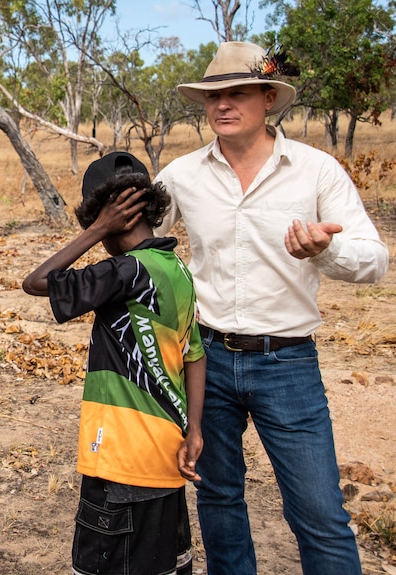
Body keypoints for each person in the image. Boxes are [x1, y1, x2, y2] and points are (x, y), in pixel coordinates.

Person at [154, 42, 389, 575]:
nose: (222, 106)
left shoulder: (315, 171)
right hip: (204, 361)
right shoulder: (182, 175)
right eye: (213, 96)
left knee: (319, 514)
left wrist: (326, 251)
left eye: (236, 93)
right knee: (218, 501)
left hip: (287, 364)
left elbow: (375, 260)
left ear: (268, 98)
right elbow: (146, 245)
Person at [22, 151, 206, 575]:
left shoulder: (124, 272)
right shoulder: (176, 267)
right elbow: (196, 354)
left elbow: (35, 282)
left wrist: (97, 230)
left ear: (104, 215)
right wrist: (195, 428)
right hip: (166, 455)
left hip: (120, 460)